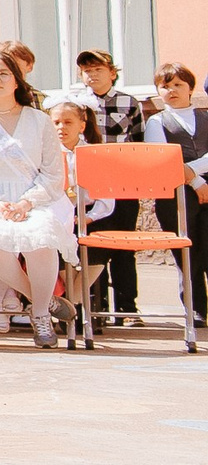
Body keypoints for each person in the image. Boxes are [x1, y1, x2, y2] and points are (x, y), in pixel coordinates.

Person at [0, 48, 72, 348]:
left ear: (17, 81)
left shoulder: (39, 121)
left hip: (34, 198)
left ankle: (41, 315)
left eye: (3, 73)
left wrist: (26, 202)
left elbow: (53, 174)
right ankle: (40, 299)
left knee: (40, 236)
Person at [61, 48, 151, 326]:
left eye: (98, 69)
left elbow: (138, 143)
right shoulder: (75, 104)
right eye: (87, 70)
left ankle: (127, 308)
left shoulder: (129, 102)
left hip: (121, 184)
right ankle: (92, 306)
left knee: (122, 245)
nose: (92, 75)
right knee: (88, 244)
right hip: (86, 187)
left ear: (112, 72)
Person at [143, 64, 208, 322]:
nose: (171, 90)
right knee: (186, 252)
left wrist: (193, 172)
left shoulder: (205, 116)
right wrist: (195, 182)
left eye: (178, 85)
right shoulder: (156, 122)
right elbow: (162, 158)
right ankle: (196, 308)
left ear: (190, 88)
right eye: (165, 86)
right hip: (175, 193)